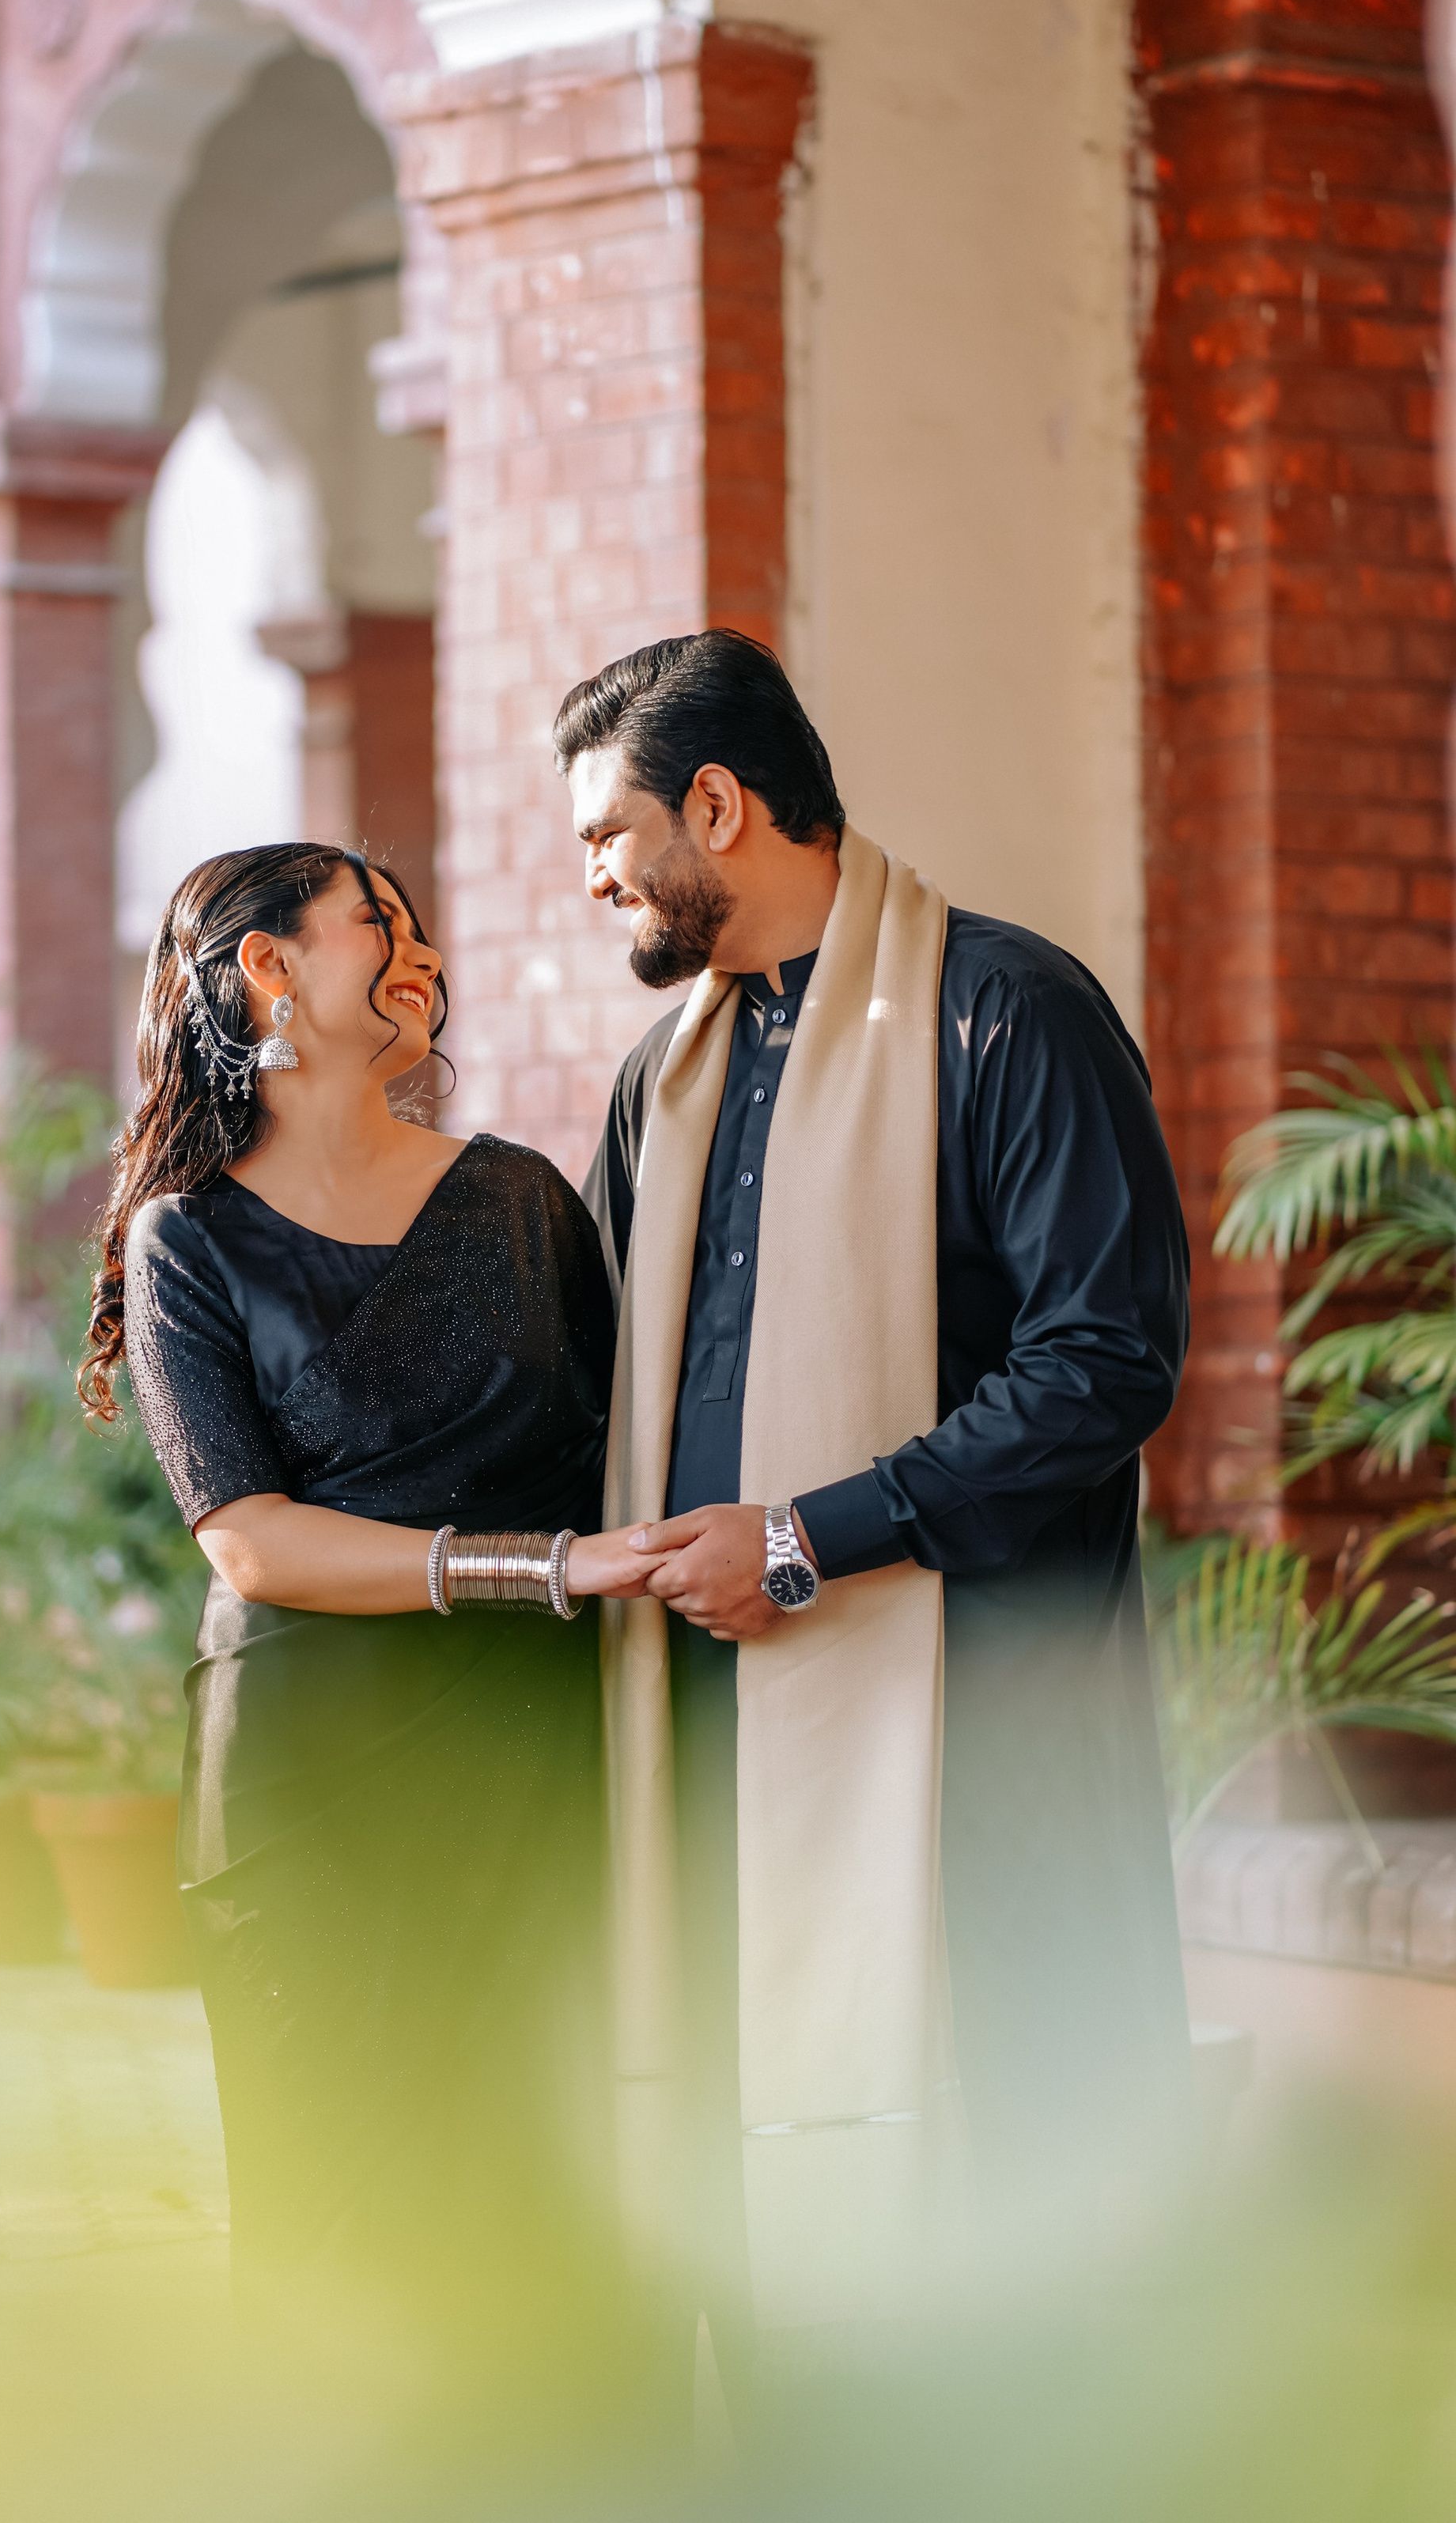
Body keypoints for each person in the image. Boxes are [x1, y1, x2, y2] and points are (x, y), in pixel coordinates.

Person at [561, 631, 1193, 2397]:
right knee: (751, 2203)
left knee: (1001, 2209)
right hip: (705, 1714)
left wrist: (807, 1532)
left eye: (606, 829)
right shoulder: (658, 1078)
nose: (588, 872)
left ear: (717, 803)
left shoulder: (1006, 1010)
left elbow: (1102, 1361)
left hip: (974, 1723)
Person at [79, 841, 656, 2386]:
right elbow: (247, 1540)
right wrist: (535, 1570)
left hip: (526, 1756)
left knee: (543, 2186)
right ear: (268, 966)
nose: (412, 955)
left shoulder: (524, 1198)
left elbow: (630, 1451)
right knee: (337, 2207)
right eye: (373, 926)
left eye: (414, 931)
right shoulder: (186, 1234)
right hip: (312, 1780)